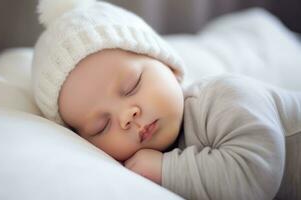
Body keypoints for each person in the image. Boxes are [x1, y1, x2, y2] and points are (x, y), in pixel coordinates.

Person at [31, 0, 301, 199]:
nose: (127, 116)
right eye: (101, 126)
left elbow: (255, 176)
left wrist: (166, 171)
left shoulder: (225, 98)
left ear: (169, 67)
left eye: (131, 86)